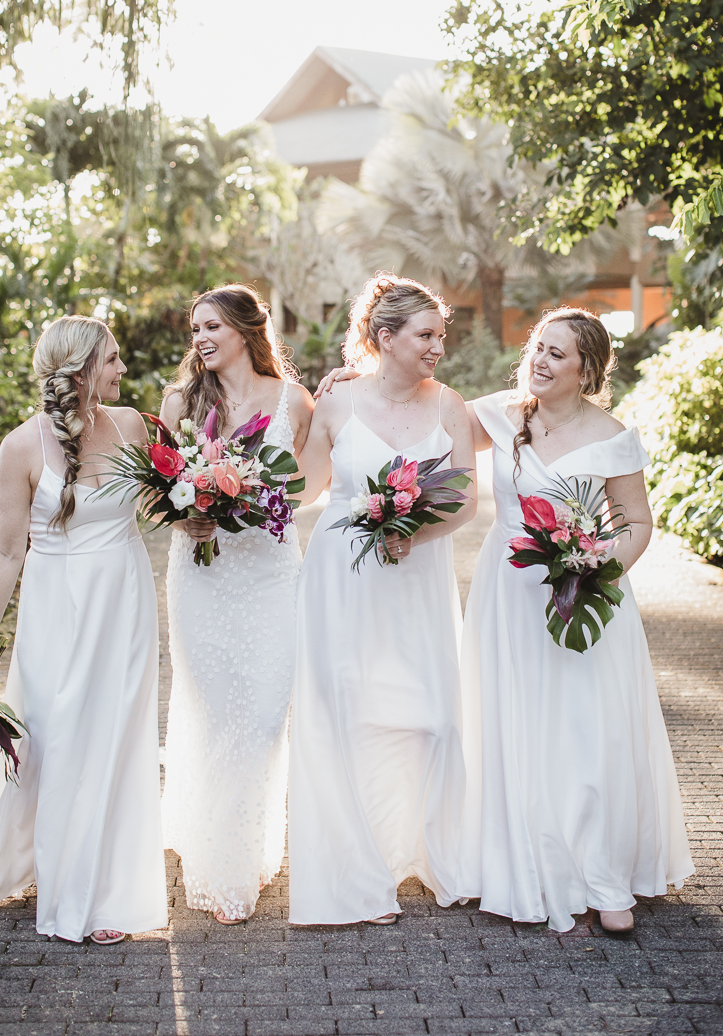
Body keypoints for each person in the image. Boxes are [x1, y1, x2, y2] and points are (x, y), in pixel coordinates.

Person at [454, 306, 694, 933]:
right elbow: (425, 408)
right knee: (515, 720)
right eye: (537, 346)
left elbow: (637, 522)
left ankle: (602, 872)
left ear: (586, 369)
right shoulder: (503, 417)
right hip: (509, 592)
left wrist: (598, 569)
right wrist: (355, 375)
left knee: (587, 727)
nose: (539, 360)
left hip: (585, 594)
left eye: (556, 353)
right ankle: (518, 861)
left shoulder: (613, 436)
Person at [0, 316, 167, 945]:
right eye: (112, 359)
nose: (122, 371)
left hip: (125, 600)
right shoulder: (21, 447)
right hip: (58, 608)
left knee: (117, 737)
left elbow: (181, 480)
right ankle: (60, 880)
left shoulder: (132, 425)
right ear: (80, 368)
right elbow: (5, 553)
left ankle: (107, 893)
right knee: (62, 741)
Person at [288, 273, 477, 926]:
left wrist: (413, 531)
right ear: (385, 337)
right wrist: (224, 485)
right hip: (343, 576)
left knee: (431, 716)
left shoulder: (449, 404)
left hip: (417, 576)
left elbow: (462, 500)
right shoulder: (336, 406)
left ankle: (424, 849)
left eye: (441, 336)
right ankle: (354, 870)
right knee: (347, 711)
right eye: (427, 335)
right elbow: (304, 488)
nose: (437, 348)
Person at [159, 284, 314, 924]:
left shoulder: (294, 401)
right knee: (212, 709)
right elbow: (159, 490)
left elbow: (310, 484)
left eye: (212, 326)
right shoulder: (179, 403)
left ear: (249, 330)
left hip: (272, 574)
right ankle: (220, 864)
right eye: (195, 328)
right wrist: (184, 516)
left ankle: (243, 841)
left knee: (262, 717)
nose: (200, 338)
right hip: (202, 574)